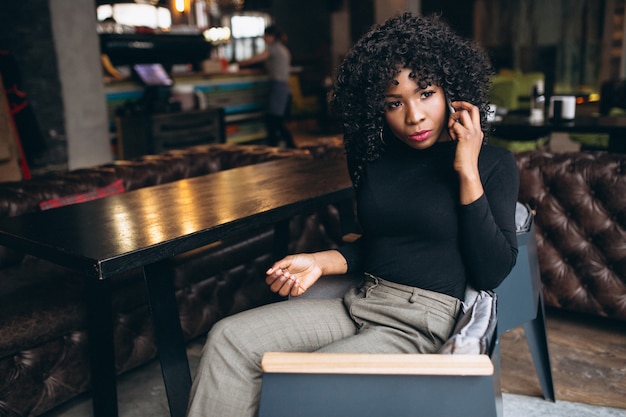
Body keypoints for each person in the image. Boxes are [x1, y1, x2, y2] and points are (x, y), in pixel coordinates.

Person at [187, 12, 519, 417]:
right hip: (360, 300)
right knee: (228, 339)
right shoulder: (372, 158)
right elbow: (382, 244)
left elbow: (492, 272)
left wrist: (467, 169)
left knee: (306, 384)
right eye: (394, 103)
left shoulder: (493, 164)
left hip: (421, 323)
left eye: (426, 93)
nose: (413, 115)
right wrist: (319, 262)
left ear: (452, 89)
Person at [239, 25, 296, 148]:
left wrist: (238, 64)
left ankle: (284, 148)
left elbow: (255, 59)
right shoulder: (282, 49)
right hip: (283, 87)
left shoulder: (274, 49)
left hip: (278, 87)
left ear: (272, 37)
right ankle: (284, 147)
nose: (264, 38)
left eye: (266, 35)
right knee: (276, 121)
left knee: (274, 121)